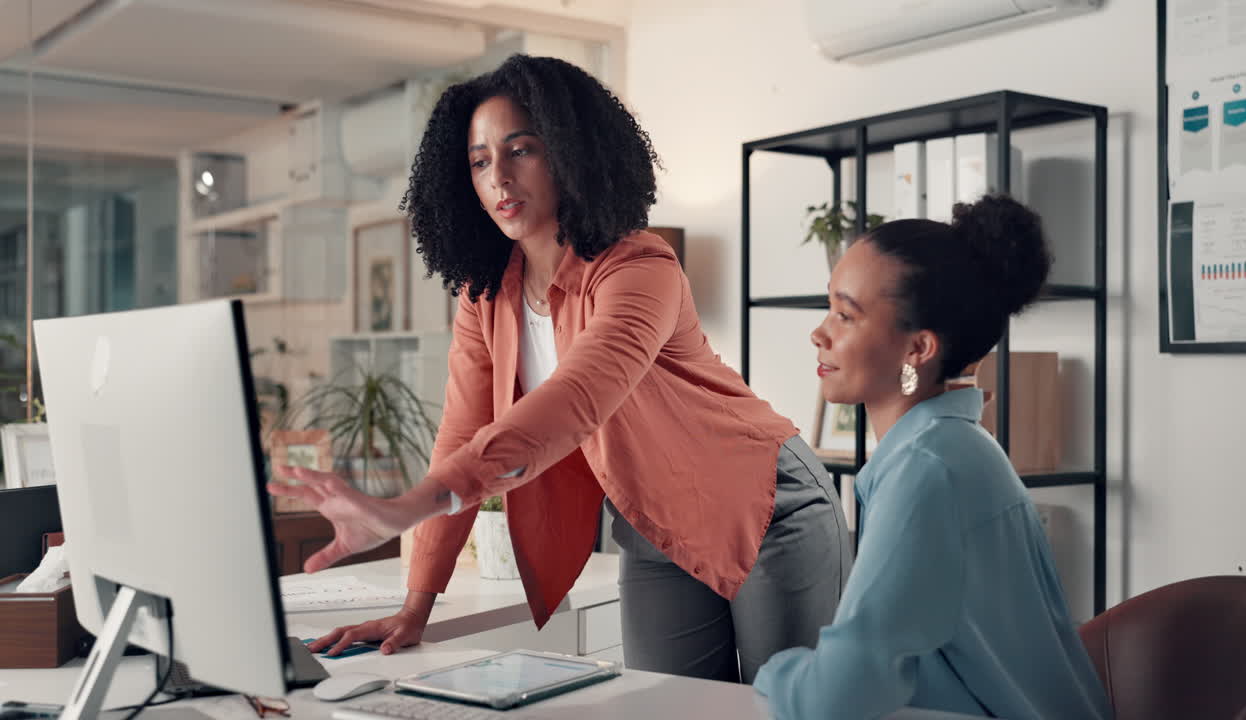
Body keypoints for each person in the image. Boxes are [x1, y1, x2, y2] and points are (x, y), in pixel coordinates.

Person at [269, 54, 851, 684]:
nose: (499, 178)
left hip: (765, 504)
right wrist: (417, 605)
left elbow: (575, 401)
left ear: (572, 153)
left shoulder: (640, 268)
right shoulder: (485, 291)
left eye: (521, 150)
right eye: (480, 161)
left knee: (783, 708)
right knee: (671, 705)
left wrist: (406, 507)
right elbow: (461, 435)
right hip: (653, 522)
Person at [752, 195, 1111, 719]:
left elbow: (837, 697)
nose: (819, 332)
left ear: (917, 350)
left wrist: (769, 672)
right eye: (829, 306)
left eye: (845, 315)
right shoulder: (951, 448)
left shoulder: (928, 470)